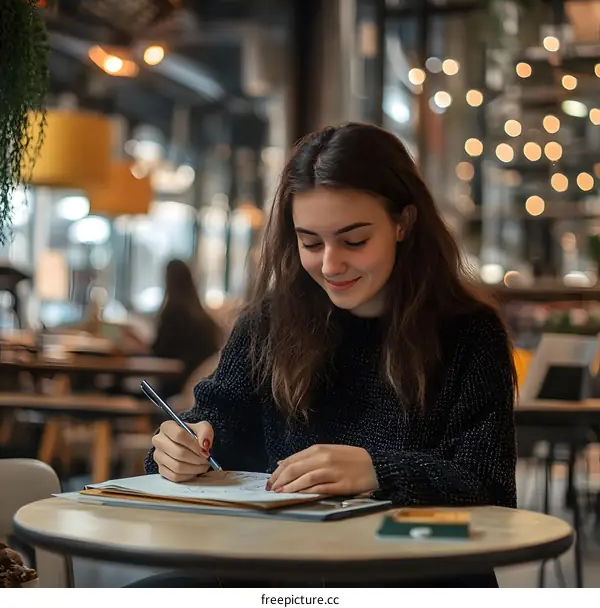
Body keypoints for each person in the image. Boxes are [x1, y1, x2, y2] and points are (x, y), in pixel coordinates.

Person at [141, 123, 517, 588]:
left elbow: (491, 490)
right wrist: (182, 449)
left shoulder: (467, 333)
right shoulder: (268, 325)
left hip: (414, 574)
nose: (330, 264)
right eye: (311, 242)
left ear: (404, 223)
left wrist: (377, 470)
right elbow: (216, 427)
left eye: (354, 241)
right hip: (281, 566)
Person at [147, 259, 222, 399]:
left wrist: (140, 344)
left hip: (176, 388)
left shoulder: (174, 313)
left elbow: (159, 352)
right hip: (198, 389)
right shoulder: (200, 314)